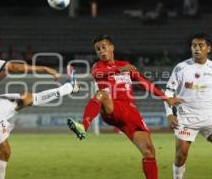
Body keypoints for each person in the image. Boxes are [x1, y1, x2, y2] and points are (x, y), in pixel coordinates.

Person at [0, 25, 79, 179]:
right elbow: (14, 66)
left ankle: (69, 87)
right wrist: (44, 69)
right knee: (4, 152)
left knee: (26, 98)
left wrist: (5, 70)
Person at [67, 35, 184, 179]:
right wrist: (119, 70)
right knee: (101, 94)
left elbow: (143, 82)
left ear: (111, 48)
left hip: (130, 112)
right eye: (98, 49)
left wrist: (165, 98)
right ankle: (83, 126)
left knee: (149, 151)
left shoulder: (125, 65)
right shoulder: (98, 67)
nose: (101, 51)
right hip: (112, 107)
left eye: (104, 47)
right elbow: (97, 74)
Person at [164, 32, 212, 179]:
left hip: (208, 117)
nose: (197, 49)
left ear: (208, 48)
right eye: (194, 45)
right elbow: (168, 92)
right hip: (186, 118)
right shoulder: (181, 68)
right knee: (181, 155)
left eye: (201, 45)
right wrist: (169, 113)